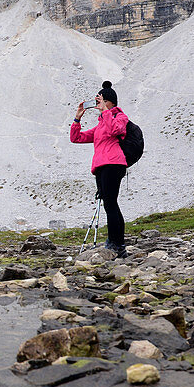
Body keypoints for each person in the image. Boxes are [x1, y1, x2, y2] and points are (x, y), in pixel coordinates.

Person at [70, 80, 129, 258]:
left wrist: (105, 112)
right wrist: (77, 117)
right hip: (101, 166)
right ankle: (116, 243)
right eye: (97, 101)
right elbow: (76, 138)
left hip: (114, 164)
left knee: (111, 203)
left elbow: (115, 130)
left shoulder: (120, 117)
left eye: (101, 100)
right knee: (109, 204)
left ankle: (116, 244)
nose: (98, 104)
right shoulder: (100, 125)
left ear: (110, 102)